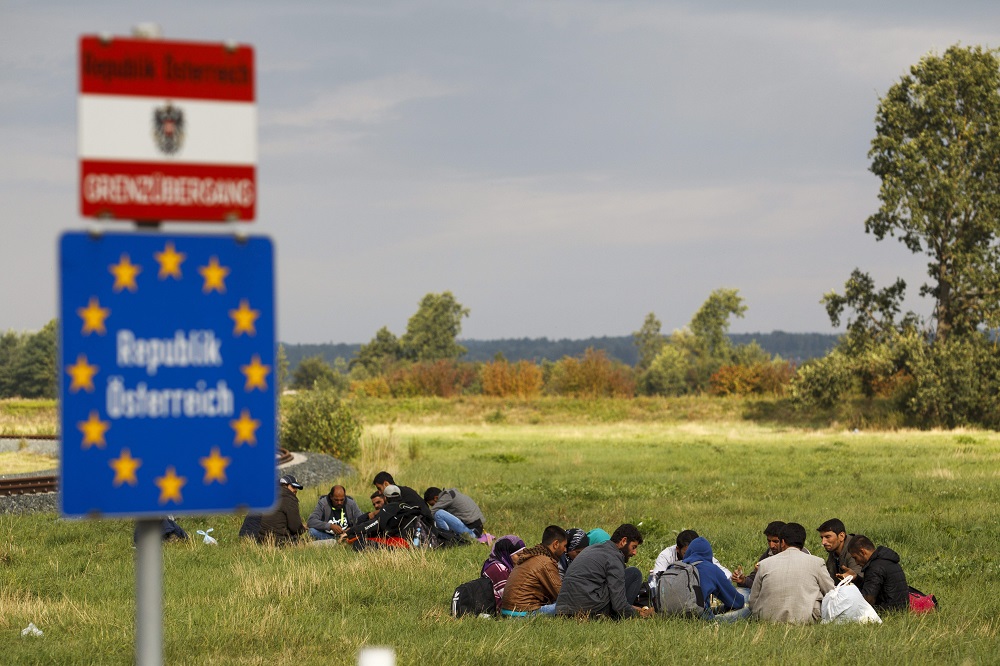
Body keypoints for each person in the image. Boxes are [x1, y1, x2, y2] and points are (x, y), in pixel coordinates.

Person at [555, 523, 655, 620]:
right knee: (634, 573)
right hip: (586, 611)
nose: (634, 553)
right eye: (633, 547)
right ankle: (619, 618)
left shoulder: (591, 549)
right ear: (623, 541)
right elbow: (619, 604)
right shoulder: (613, 557)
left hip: (562, 610)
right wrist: (637, 614)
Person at [749, 523, 835, 623]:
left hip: (766, 619)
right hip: (806, 620)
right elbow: (831, 593)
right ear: (802, 542)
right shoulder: (817, 562)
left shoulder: (764, 564)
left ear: (783, 542)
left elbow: (753, 601)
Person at [500, 525, 567, 617]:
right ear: (555, 544)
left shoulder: (531, 556)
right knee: (570, 605)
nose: (565, 550)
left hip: (506, 612)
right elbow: (561, 594)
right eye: (565, 546)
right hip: (523, 614)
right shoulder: (545, 562)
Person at [681, 537, 746, 621]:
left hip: (669, 614)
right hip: (699, 618)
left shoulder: (675, 566)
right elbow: (736, 601)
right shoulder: (711, 569)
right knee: (748, 609)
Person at [847, 534, 909, 612]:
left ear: (862, 552)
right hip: (902, 609)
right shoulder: (888, 560)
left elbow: (868, 599)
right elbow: (875, 586)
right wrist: (856, 578)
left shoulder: (875, 567)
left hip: (887, 612)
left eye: (855, 557)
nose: (856, 562)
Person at [732, 521, 790, 595]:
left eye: (776, 541)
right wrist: (743, 580)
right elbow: (753, 580)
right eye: (769, 541)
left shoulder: (796, 555)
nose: (771, 545)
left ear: (784, 541)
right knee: (738, 594)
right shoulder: (769, 554)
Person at [652, 529, 732, 578]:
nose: (691, 558)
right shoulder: (666, 556)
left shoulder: (701, 553)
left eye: (693, 554)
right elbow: (656, 578)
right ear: (677, 549)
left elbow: (727, 575)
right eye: (686, 553)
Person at [423, 486, 492, 542]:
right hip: (477, 530)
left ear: (436, 498)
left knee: (438, 513)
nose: (433, 506)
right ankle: (449, 535)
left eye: (432, 504)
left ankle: (447, 538)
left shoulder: (447, 497)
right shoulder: (451, 494)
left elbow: (432, 512)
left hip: (472, 533)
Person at [481, 534, 526, 612]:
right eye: (519, 555)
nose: (522, 558)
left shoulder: (503, 566)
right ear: (507, 554)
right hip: (507, 611)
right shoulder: (499, 570)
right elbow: (510, 600)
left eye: (524, 554)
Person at [259, 475, 306, 544]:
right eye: (293, 487)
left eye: (297, 488)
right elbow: (295, 528)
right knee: (310, 543)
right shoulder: (289, 500)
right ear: (284, 485)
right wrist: (303, 529)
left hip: (263, 540)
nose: (295, 490)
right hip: (280, 541)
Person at [817, 518, 863, 583]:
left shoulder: (854, 551)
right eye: (822, 538)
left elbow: (859, 582)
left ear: (841, 536)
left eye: (827, 537)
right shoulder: (834, 550)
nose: (823, 542)